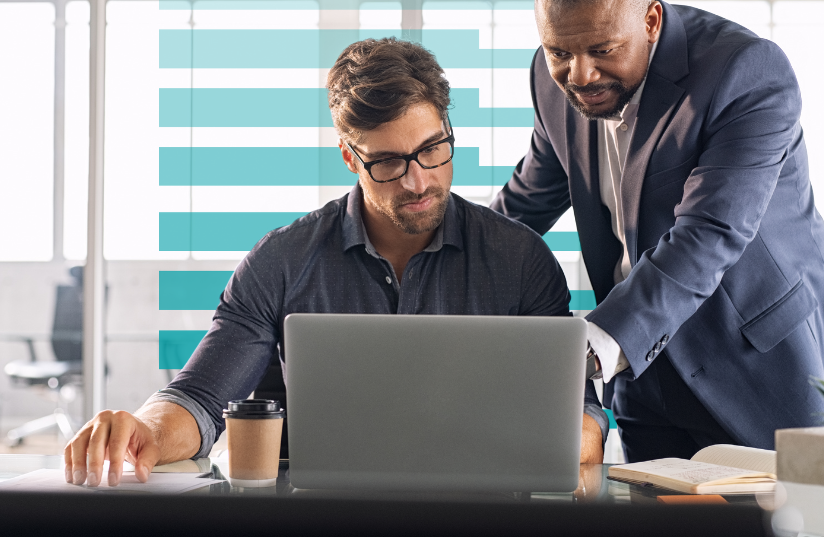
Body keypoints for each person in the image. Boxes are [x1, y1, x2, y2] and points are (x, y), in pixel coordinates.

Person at [65, 37, 607, 487]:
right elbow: (202, 398)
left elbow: (582, 424)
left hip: (476, 516)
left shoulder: (520, 260)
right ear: (350, 156)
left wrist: (572, 431)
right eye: (389, 162)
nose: (419, 181)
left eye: (433, 149)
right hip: (318, 515)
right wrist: (145, 430)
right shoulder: (281, 260)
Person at [491, 0, 824, 462]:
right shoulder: (550, 79)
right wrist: (443, 267)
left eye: (602, 50)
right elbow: (523, 207)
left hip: (756, 368)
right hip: (642, 377)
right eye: (560, 53)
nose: (578, 75)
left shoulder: (747, 73)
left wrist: (592, 347)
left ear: (650, 22)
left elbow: (710, 233)